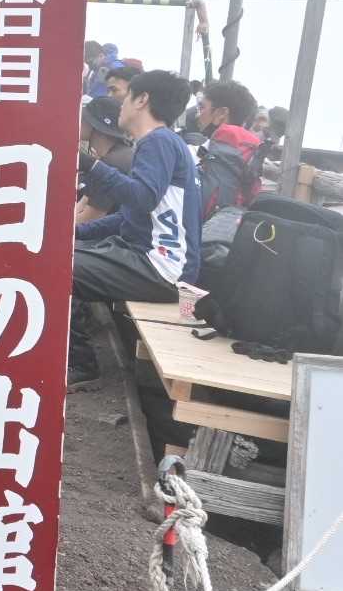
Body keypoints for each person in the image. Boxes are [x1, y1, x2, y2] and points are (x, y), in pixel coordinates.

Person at [67, 70, 202, 383]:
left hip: (163, 269)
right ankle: (74, 357)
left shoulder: (158, 142)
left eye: (126, 97)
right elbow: (131, 216)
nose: (121, 105)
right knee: (65, 253)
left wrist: (89, 164)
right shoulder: (164, 143)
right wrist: (75, 233)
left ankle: (80, 364)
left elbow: (142, 197)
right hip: (156, 261)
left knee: (60, 268)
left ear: (142, 100)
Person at [195, 79, 261, 219]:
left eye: (202, 108)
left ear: (221, 114)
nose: (198, 115)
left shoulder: (214, 148)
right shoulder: (251, 149)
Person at [76, 97, 133, 222]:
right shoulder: (120, 155)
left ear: (96, 125)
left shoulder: (113, 163)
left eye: (83, 118)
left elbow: (88, 219)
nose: (78, 121)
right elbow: (83, 205)